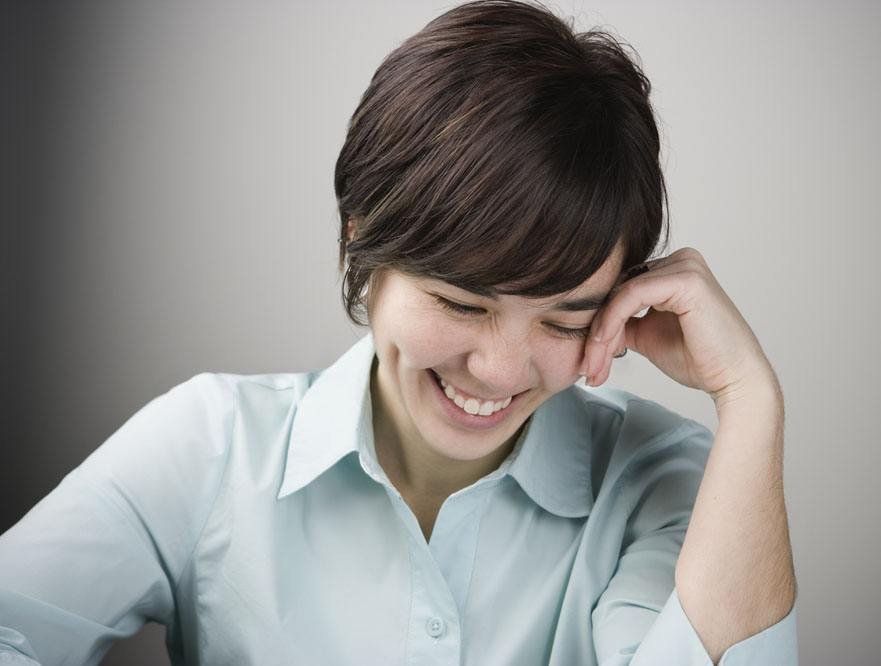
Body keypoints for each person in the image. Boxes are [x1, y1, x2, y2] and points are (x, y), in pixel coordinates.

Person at [0, 1, 798, 664]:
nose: (500, 369)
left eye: (566, 319)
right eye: (462, 304)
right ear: (361, 239)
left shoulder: (658, 482)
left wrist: (750, 398)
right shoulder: (212, 448)